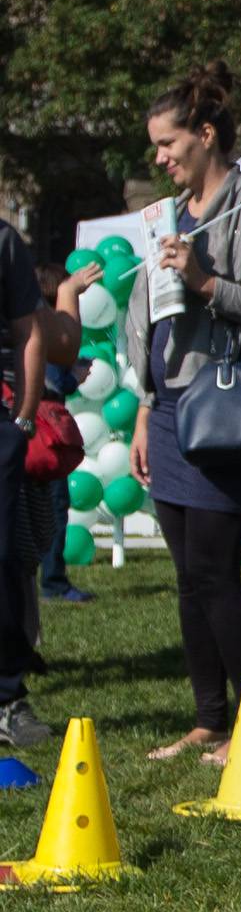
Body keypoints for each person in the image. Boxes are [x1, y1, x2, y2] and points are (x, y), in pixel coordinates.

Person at [124, 63, 241, 763]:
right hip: (168, 410)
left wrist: (205, 282)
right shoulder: (165, 216)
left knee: (215, 571)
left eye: (169, 144)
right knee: (188, 576)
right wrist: (143, 406)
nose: (161, 158)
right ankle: (207, 719)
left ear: (205, 135)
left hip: (225, 412)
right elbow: (149, 317)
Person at [0, 213, 48, 749]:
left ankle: (7, 697)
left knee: (3, 558)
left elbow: (28, 329)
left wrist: (23, 418)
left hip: (2, 422)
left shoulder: (3, 240)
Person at [35, 262, 95, 607]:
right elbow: (53, 382)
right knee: (55, 506)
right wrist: (75, 376)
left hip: (32, 428)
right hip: (43, 432)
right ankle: (53, 581)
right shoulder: (46, 325)